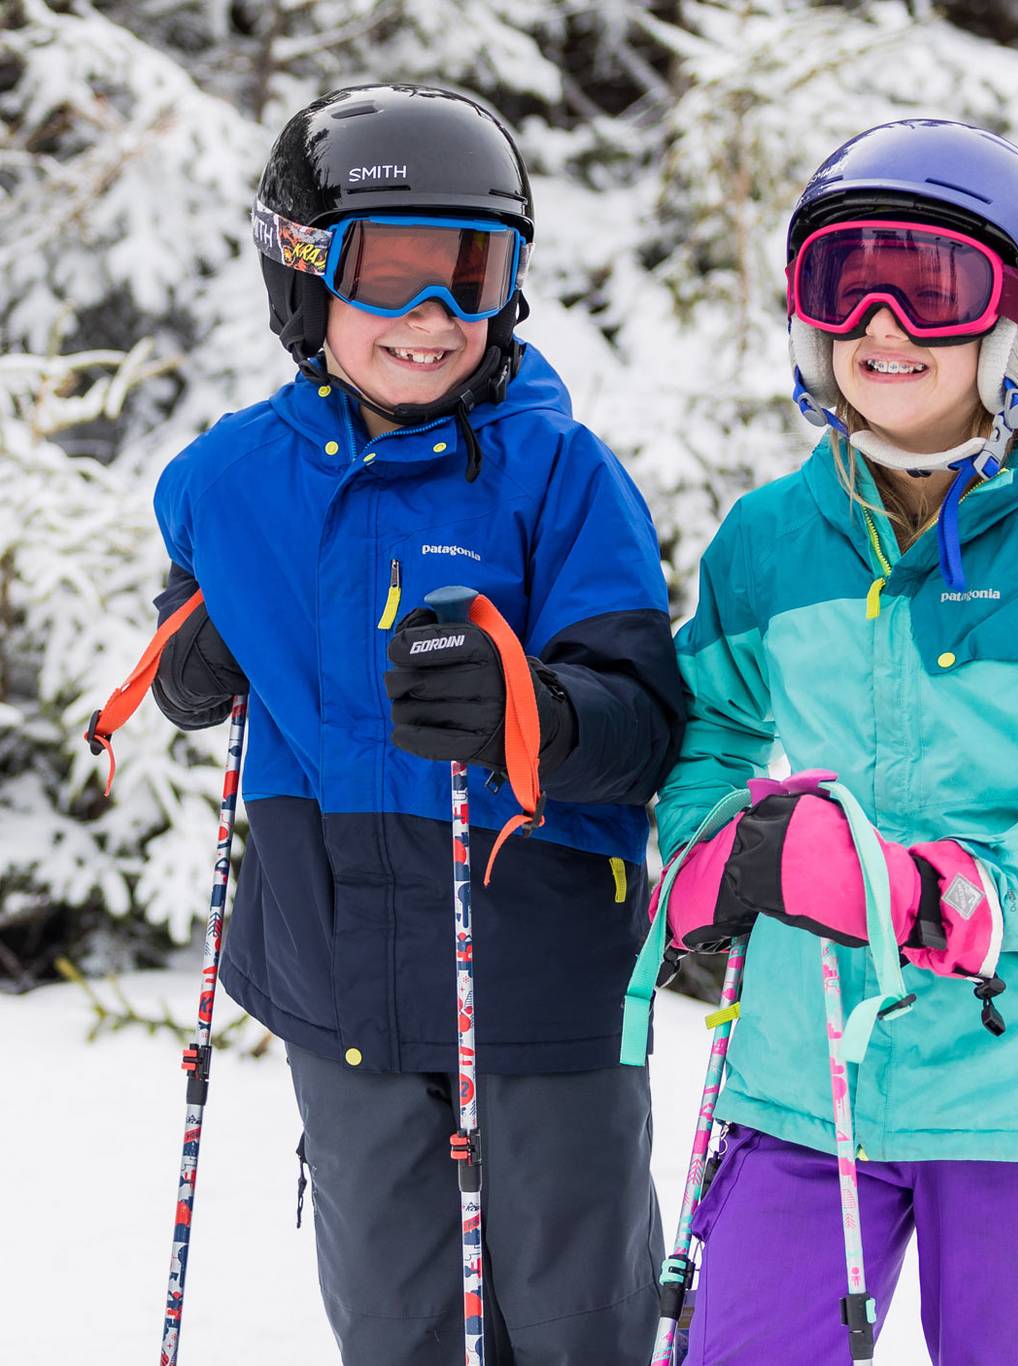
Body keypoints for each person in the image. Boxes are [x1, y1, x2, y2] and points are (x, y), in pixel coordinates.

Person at [647, 120, 1018, 1364]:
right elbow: (710, 727)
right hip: (806, 1077)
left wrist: (956, 894)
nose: (881, 323)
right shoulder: (771, 539)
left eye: (932, 287)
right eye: (843, 282)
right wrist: (715, 850)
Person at [149, 83, 682, 1365]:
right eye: (389, 275)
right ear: (302, 274)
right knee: (396, 1331)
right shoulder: (229, 480)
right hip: (342, 992)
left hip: (541, 988)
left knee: (575, 1325)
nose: (434, 316)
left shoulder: (560, 476)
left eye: (472, 272)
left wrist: (533, 714)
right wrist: (185, 662)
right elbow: (191, 639)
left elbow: (647, 723)